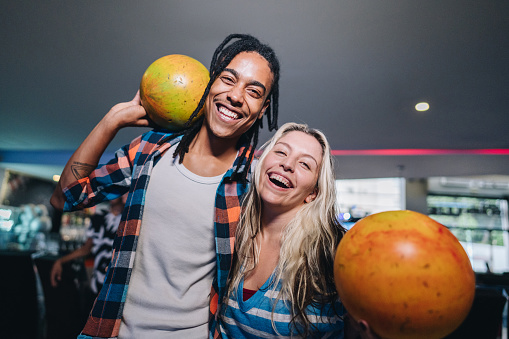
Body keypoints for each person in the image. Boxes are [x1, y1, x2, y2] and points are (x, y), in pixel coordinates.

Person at [50, 34, 281, 339]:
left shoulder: (255, 179)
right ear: (209, 84)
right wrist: (112, 120)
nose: (236, 96)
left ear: (262, 109)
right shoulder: (152, 149)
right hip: (113, 331)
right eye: (228, 79)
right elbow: (65, 197)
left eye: (253, 91)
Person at [217, 123, 346, 338]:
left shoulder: (332, 252)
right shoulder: (229, 230)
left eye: (305, 164)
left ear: (313, 193)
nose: (287, 164)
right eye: (281, 152)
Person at [50, 196, 125, 319]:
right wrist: (60, 261)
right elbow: (86, 249)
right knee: (88, 320)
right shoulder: (100, 216)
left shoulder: (129, 218)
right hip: (98, 283)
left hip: (118, 285)